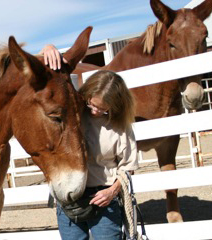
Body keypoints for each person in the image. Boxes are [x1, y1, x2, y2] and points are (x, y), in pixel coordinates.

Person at [40, 45, 139, 240]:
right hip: (69, 197)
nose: (94, 112)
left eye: (102, 109)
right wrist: (48, 49)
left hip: (103, 197)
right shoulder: (74, 114)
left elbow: (128, 168)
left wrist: (112, 192)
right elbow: (53, 82)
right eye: (91, 105)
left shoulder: (120, 127)